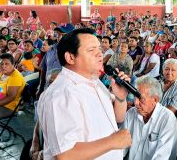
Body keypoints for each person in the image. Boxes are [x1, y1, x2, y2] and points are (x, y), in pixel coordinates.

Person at [37, 28, 131, 159]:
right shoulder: (60, 95)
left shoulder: (94, 82)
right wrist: (113, 142)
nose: (100, 54)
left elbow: (118, 118)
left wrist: (121, 98)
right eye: (91, 50)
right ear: (70, 57)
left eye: (99, 48)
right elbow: (65, 155)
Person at [122, 76, 177, 160]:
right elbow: (121, 148)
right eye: (135, 97)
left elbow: (161, 157)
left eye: (141, 98)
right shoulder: (131, 113)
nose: (136, 103)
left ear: (155, 99)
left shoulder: (167, 119)